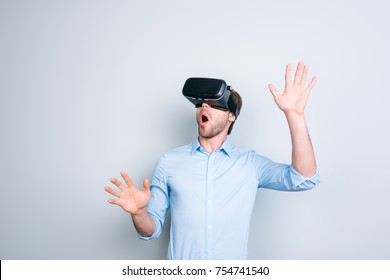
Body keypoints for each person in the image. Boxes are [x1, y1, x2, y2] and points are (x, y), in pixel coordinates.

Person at [104, 62, 320, 259]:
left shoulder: (250, 165)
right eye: (200, 104)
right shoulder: (169, 162)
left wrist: (295, 114)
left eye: (214, 104)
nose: (204, 107)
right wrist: (139, 213)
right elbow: (150, 230)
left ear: (231, 116)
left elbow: (304, 178)